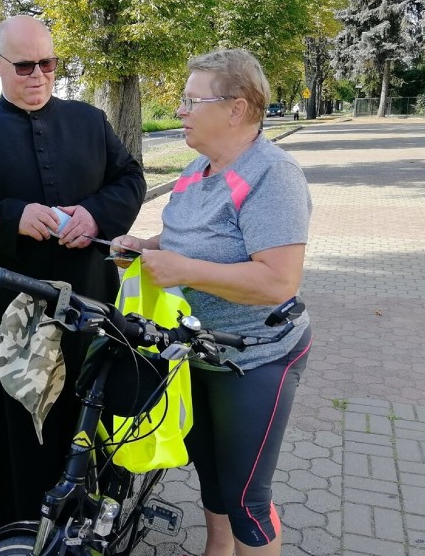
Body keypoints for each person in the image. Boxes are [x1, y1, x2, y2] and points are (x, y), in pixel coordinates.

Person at [0, 15, 146, 528]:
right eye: (24, 66)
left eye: (48, 64)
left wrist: (98, 214)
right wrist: (13, 213)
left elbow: (129, 177)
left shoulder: (89, 120)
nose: (38, 76)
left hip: (87, 295)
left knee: (85, 403)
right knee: (12, 411)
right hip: (6, 301)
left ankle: (88, 508)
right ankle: (12, 516)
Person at [112, 49, 312, 556]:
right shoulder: (198, 166)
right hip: (198, 348)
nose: (180, 110)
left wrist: (186, 271)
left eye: (190, 100)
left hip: (257, 354)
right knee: (211, 475)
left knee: (246, 497)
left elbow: (278, 281)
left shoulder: (273, 176)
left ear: (236, 109)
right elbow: (184, 238)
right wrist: (147, 248)